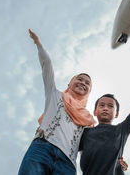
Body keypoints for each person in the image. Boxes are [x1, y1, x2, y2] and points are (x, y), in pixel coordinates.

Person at [18, 29, 96, 175]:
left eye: (87, 83)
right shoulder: (55, 95)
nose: (82, 83)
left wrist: (117, 162)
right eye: (79, 79)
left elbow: (95, 145)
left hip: (67, 163)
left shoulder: (88, 120)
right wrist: (38, 43)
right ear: (70, 83)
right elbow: (46, 65)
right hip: (42, 148)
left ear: (89, 91)